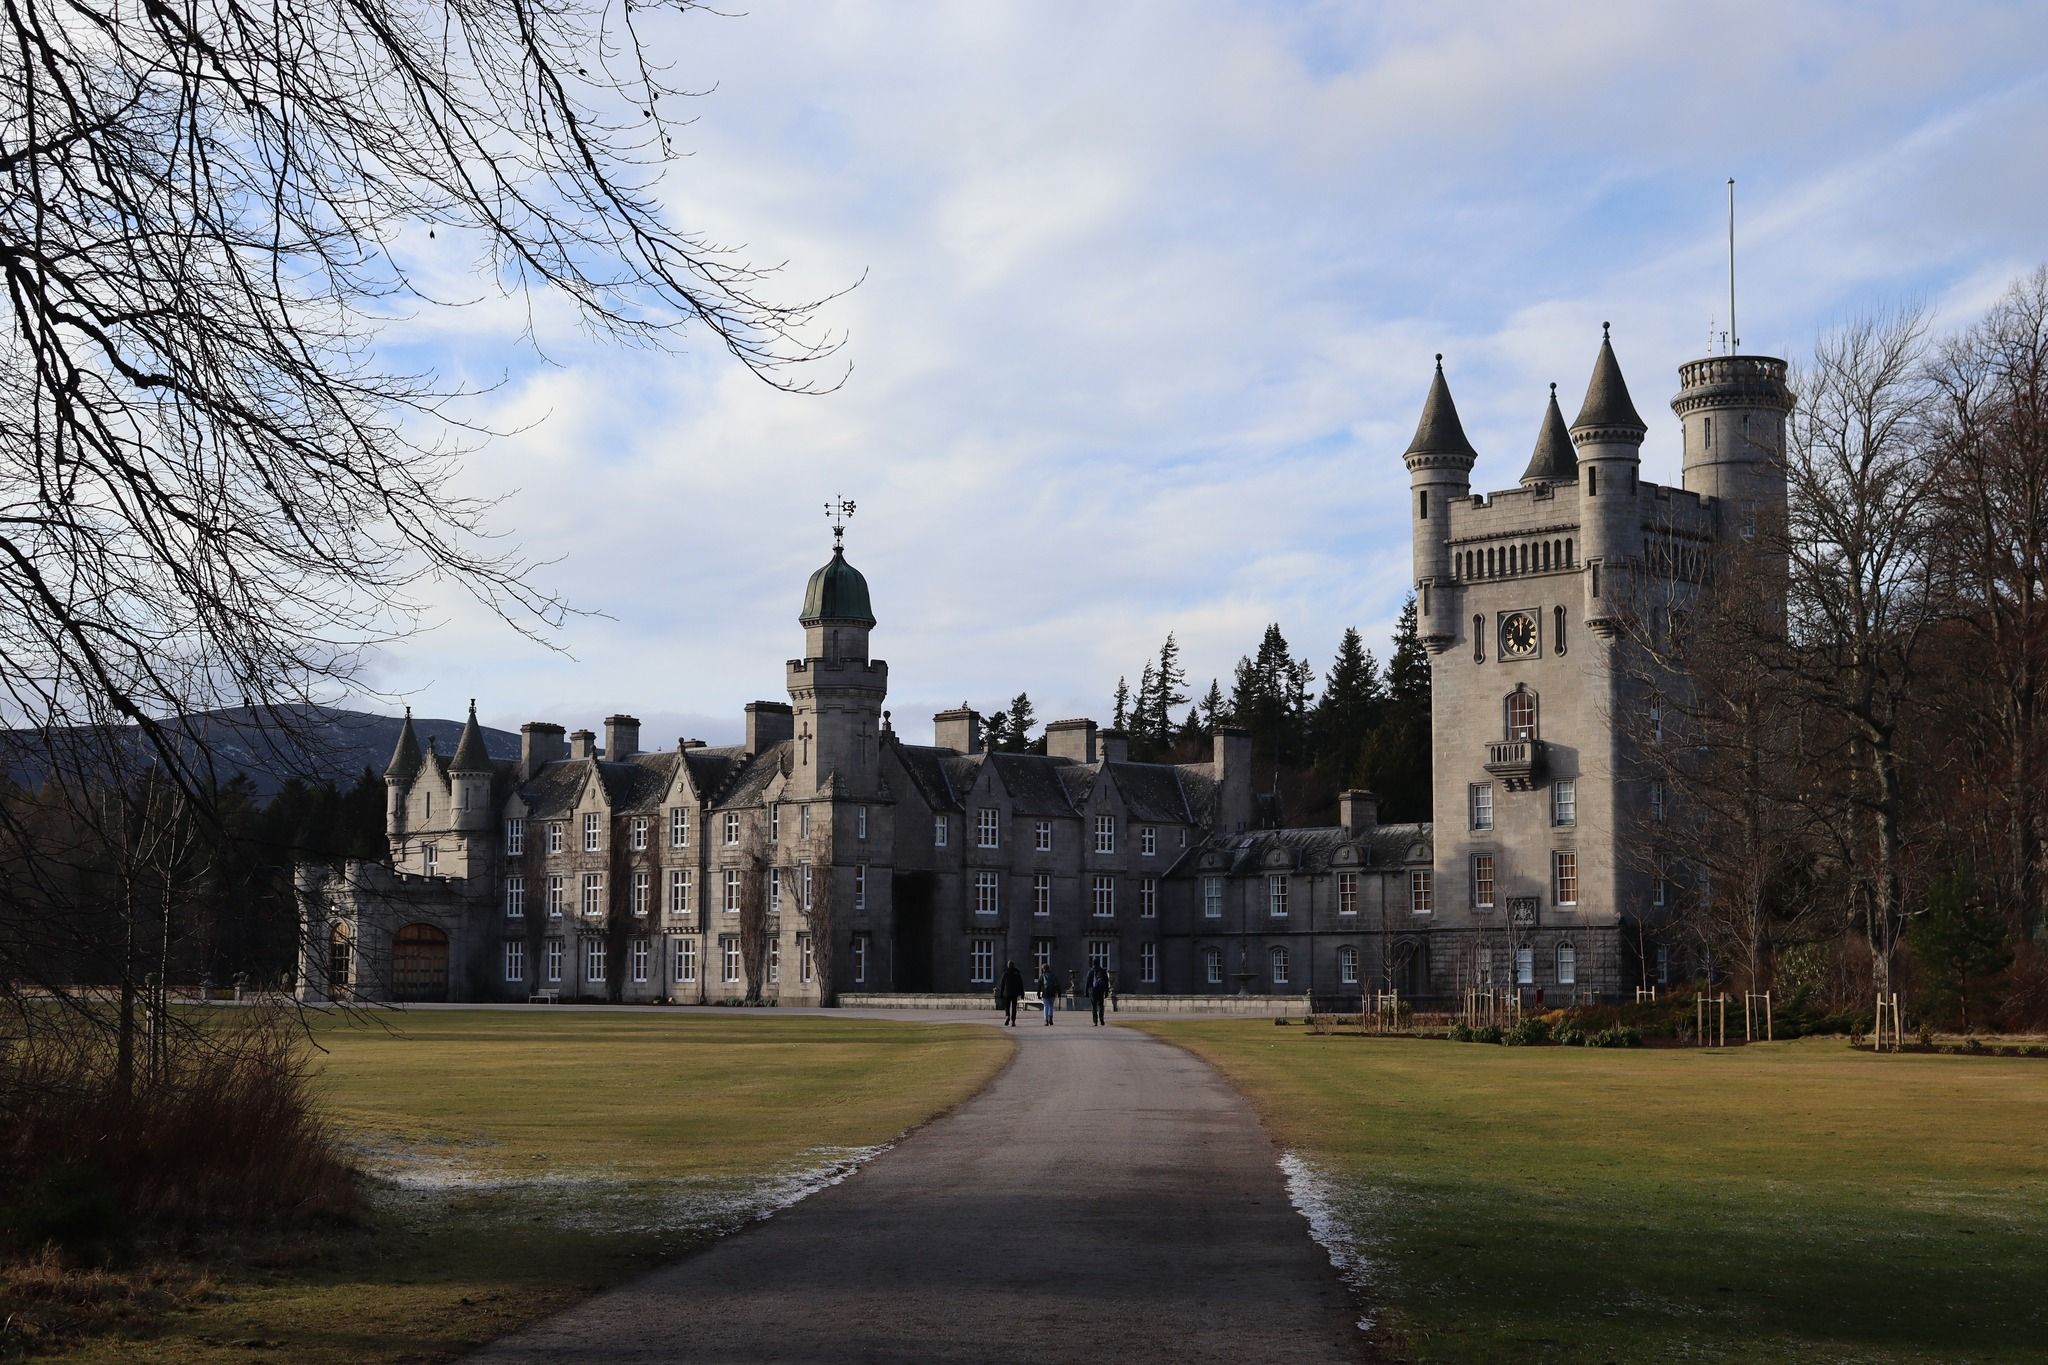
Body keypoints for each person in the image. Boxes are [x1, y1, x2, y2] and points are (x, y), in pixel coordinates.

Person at [997, 959, 1025, 1027]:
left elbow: (1002, 984)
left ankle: (1007, 1016)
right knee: (1014, 1007)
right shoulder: (1017, 972)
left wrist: (1001, 993)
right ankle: (1013, 1020)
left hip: (1007, 992)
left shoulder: (1005, 972)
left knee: (1007, 1006)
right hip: (1015, 993)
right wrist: (1022, 993)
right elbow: (1020, 983)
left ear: (1008, 965)